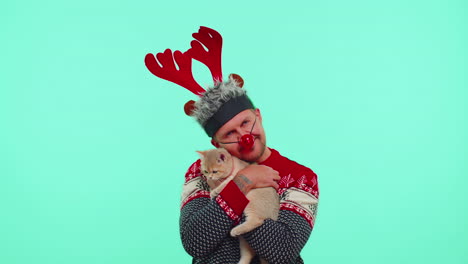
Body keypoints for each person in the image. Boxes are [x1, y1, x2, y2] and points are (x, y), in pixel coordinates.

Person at [145, 26, 319, 264]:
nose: (245, 136)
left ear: (258, 115)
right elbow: (195, 241)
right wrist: (242, 183)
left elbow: (283, 252)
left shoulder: (300, 177)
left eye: (246, 122)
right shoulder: (202, 171)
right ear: (216, 143)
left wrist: (228, 201)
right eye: (230, 133)